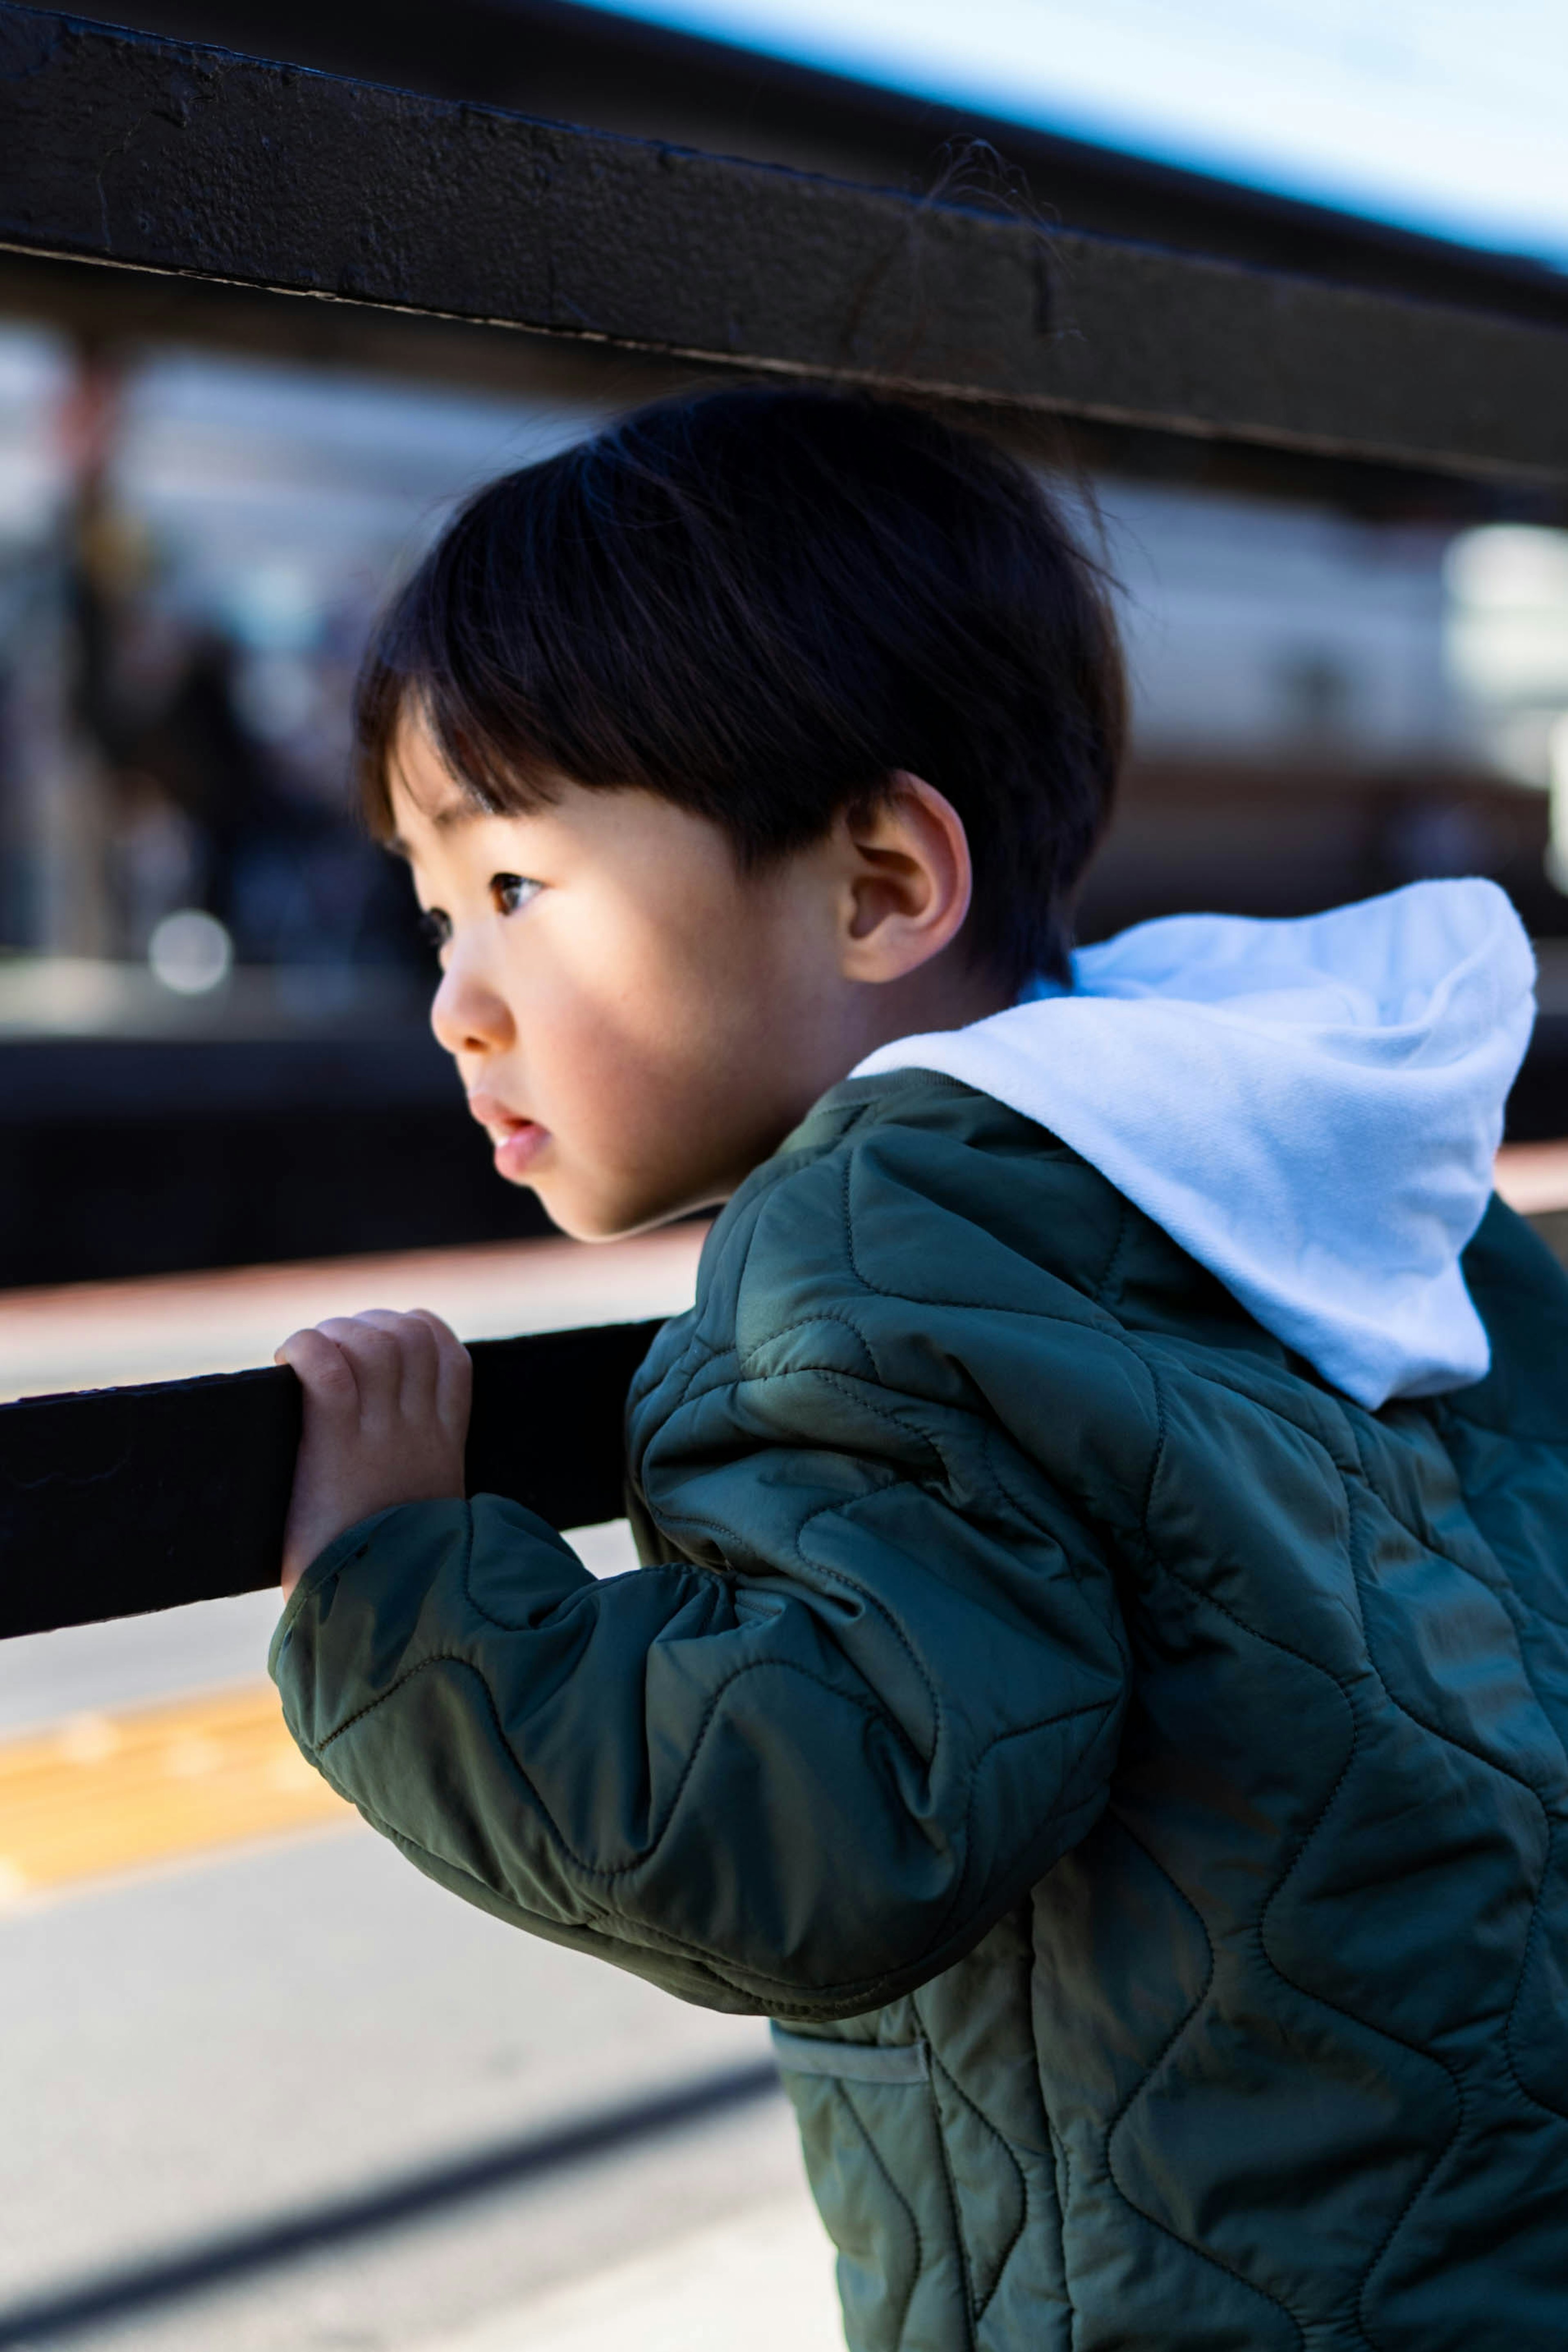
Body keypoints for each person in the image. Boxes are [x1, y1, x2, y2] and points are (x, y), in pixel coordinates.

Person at [270, 387, 1568, 2350]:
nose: (457, 998)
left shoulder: (881, 1238)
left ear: (878, 883)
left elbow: (822, 1815)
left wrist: (394, 1607)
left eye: (517, 888)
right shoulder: (1308, 1157)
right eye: (434, 908)